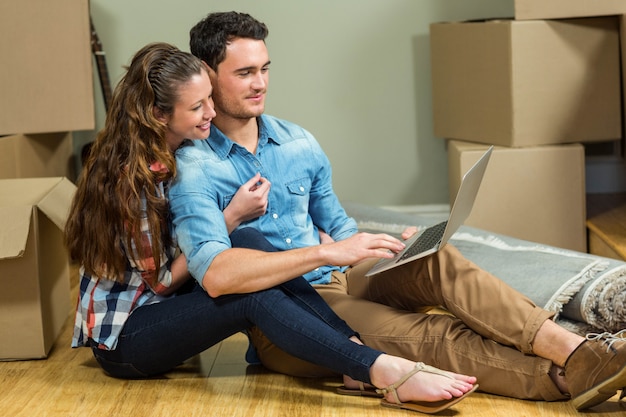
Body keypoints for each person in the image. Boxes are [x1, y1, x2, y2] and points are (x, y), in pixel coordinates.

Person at [168, 10, 626, 412]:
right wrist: (327, 254)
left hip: (341, 277)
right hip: (289, 317)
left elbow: (339, 227)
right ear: (207, 76)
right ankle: (565, 379)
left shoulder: (296, 141)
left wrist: (388, 250)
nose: (261, 83)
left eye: (265, 69)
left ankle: (576, 349)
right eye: (246, 72)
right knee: (424, 333)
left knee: (438, 261)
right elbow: (216, 275)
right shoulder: (196, 167)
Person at [64, 41, 480, 414]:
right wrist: (230, 220)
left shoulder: (176, 152)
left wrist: (236, 225)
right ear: (158, 114)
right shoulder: (133, 182)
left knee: (249, 241)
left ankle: (352, 353)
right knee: (248, 294)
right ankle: (377, 369)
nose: (211, 112)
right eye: (197, 108)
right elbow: (160, 285)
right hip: (127, 339)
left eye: (209, 98)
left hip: (163, 306)